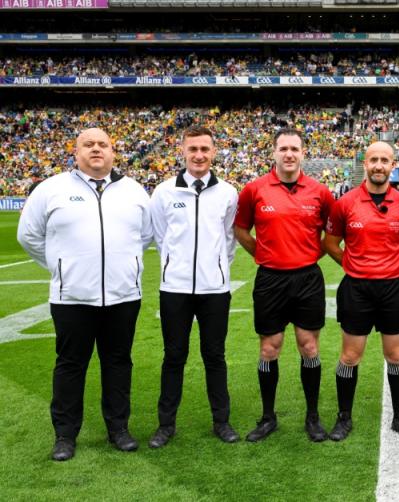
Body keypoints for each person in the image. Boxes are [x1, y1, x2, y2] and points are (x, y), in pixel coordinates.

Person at [17, 127, 152, 461]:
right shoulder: (52, 189)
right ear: (75, 152)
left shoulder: (134, 190)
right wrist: (61, 268)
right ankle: (65, 435)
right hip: (72, 298)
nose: (96, 149)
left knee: (118, 363)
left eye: (102, 144)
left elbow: (146, 236)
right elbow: (28, 236)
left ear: (113, 152)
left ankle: (118, 429)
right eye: (88, 144)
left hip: (123, 296)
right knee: (70, 366)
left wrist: (127, 266)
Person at [234, 129, 335, 443]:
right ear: (274, 152)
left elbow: (332, 236)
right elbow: (241, 230)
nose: (289, 154)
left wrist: (309, 254)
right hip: (270, 279)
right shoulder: (254, 190)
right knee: (269, 348)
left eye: (294, 149)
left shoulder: (320, 192)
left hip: (307, 278)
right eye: (283, 148)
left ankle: (313, 417)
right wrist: (263, 254)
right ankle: (267, 417)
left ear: (303, 153)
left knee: (309, 347)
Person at [323, 141, 399, 441]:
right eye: (373, 160)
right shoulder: (345, 203)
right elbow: (330, 243)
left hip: (394, 288)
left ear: (393, 165)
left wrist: (397, 261)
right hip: (357, 288)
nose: (379, 165)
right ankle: (344, 417)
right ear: (364, 164)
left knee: (396, 355)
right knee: (350, 356)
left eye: (385, 160)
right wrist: (354, 264)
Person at [147, 126, 240, 448]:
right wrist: (177, 266)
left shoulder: (228, 193)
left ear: (214, 152)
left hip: (215, 289)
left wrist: (214, 269)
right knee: (174, 356)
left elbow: (229, 241)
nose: (199, 155)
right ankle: (165, 425)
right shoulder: (163, 192)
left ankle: (222, 422)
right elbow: (160, 238)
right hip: (174, 288)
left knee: (215, 356)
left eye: (204, 149)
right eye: (193, 149)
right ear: (183, 152)